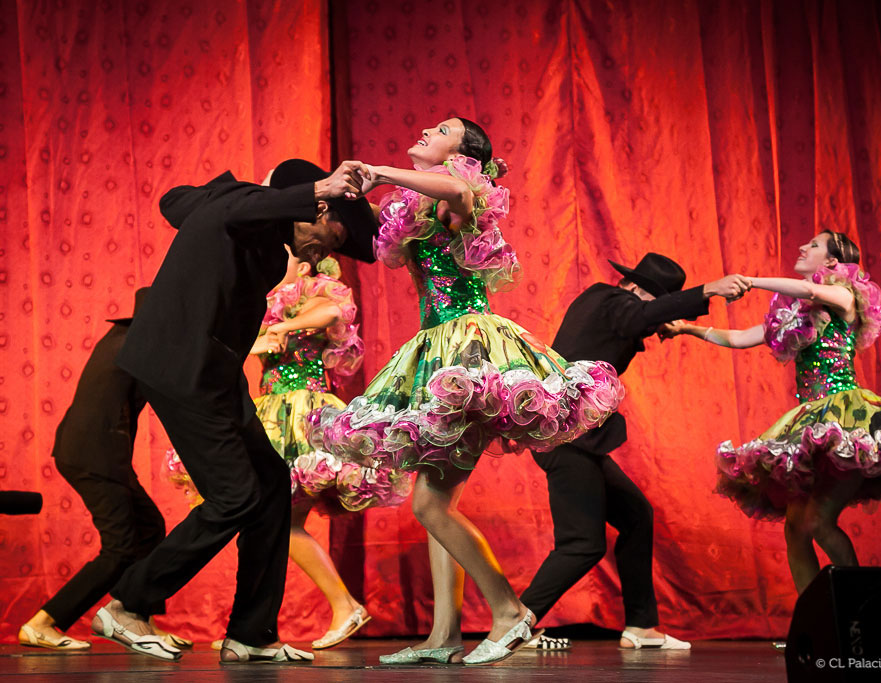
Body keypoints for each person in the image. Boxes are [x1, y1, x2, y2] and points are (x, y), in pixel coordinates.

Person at [307, 117, 624, 665]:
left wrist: (383, 171)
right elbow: (365, 229)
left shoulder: (462, 192)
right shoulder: (414, 206)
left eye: (445, 128)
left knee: (430, 505)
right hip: (434, 348)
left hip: (470, 350)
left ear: (466, 152)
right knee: (435, 499)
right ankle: (444, 637)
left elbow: (456, 189)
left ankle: (508, 611)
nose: (430, 129)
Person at [90, 159, 377, 663]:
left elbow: (175, 199)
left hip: (214, 371)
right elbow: (225, 204)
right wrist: (313, 187)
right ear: (314, 206)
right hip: (183, 366)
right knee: (235, 497)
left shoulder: (243, 217)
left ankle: (252, 632)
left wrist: (297, 197)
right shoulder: (239, 209)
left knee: (271, 486)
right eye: (325, 240)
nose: (320, 255)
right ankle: (127, 604)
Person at [665, 230, 881, 593]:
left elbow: (810, 291)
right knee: (796, 527)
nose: (801, 247)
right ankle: (812, 620)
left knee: (819, 522)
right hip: (811, 419)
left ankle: (857, 616)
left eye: (812, 245)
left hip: (846, 420)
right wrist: (687, 328)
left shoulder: (843, 295)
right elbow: (740, 338)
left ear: (830, 261)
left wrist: (751, 281)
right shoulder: (796, 314)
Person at [165, 245, 410, 650]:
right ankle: (267, 621)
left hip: (303, 411)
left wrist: (282, 328)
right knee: (271, 520)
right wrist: (264, 336)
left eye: (282, 258)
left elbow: (332, 313)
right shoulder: (265, 303)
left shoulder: (314, 290)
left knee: (278, 520)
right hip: (271, 410)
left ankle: (333, 606)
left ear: (303, 264)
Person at [519, 254, 750, 650]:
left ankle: (641, 625)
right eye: (653, 303)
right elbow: (634, 316)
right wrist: (708, 289)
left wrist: (680, 327)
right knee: (582, 543)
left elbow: (638, 320)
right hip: (566, 440)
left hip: (578, 440)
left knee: (637, 516)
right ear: (637, 290)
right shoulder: (609, 299)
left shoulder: (614, 309)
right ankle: (515, 621)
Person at [18, 289, 188, 652]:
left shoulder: (122, 338)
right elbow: (179, 397)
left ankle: (140, 622)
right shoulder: (139, 347)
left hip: (95, 450)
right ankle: (42, 623)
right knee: (120, 549)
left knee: (150, 526)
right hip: (97, 453)